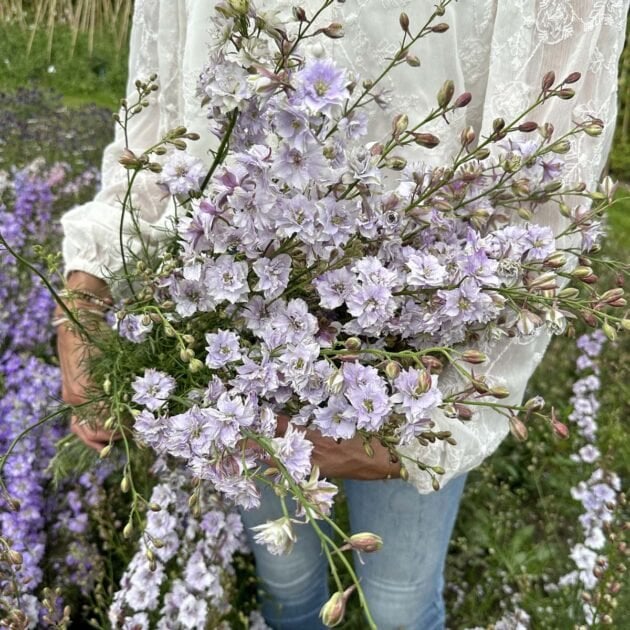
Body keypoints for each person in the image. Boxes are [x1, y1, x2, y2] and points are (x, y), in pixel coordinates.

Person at [56, 1, 628, 628]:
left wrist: (436, 427)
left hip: (427, 362)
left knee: (401, 606)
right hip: (240, 348)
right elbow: (157, 126)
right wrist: (86, 292)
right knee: (287, 580)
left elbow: (548, 203)